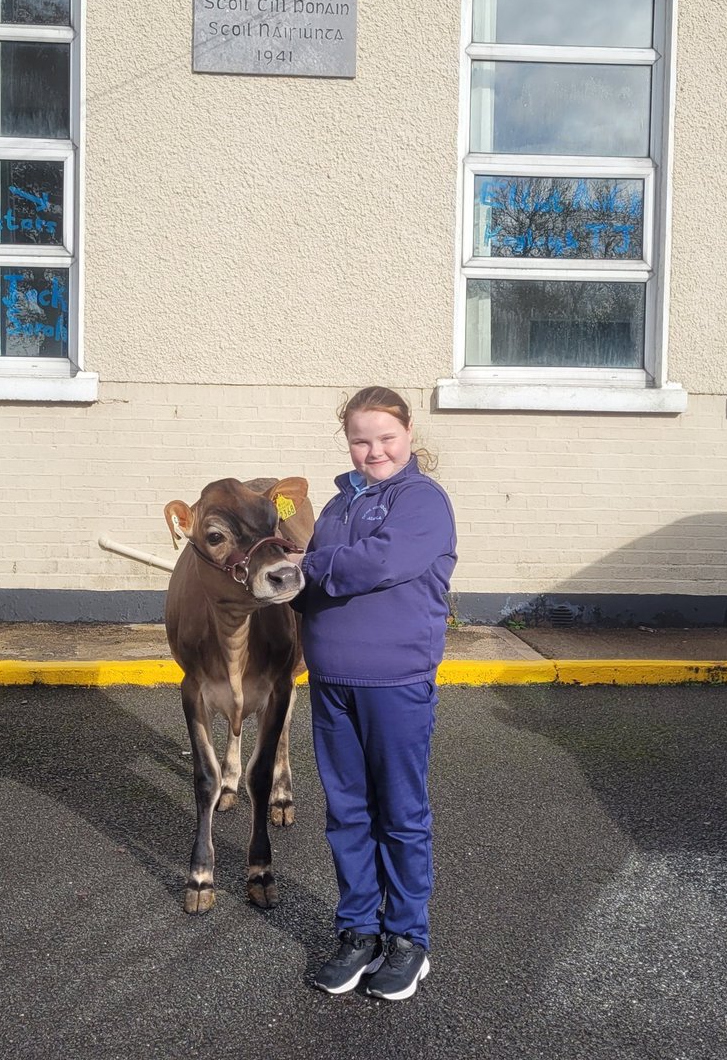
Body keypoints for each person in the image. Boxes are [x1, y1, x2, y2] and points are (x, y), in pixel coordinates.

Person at [292, 386, 457, 1002]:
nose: (373, 450)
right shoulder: (336, 505)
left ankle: (408, 941)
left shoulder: (422, 502)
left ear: (408, 434)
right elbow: (313, 578)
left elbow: (376, 564)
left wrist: (310, 567)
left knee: (401, 815)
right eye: (361, 440)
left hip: (396, 683)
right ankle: (358, 933)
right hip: (332, 682)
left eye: (385, 437)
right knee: (348, 814)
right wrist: (279, 580)